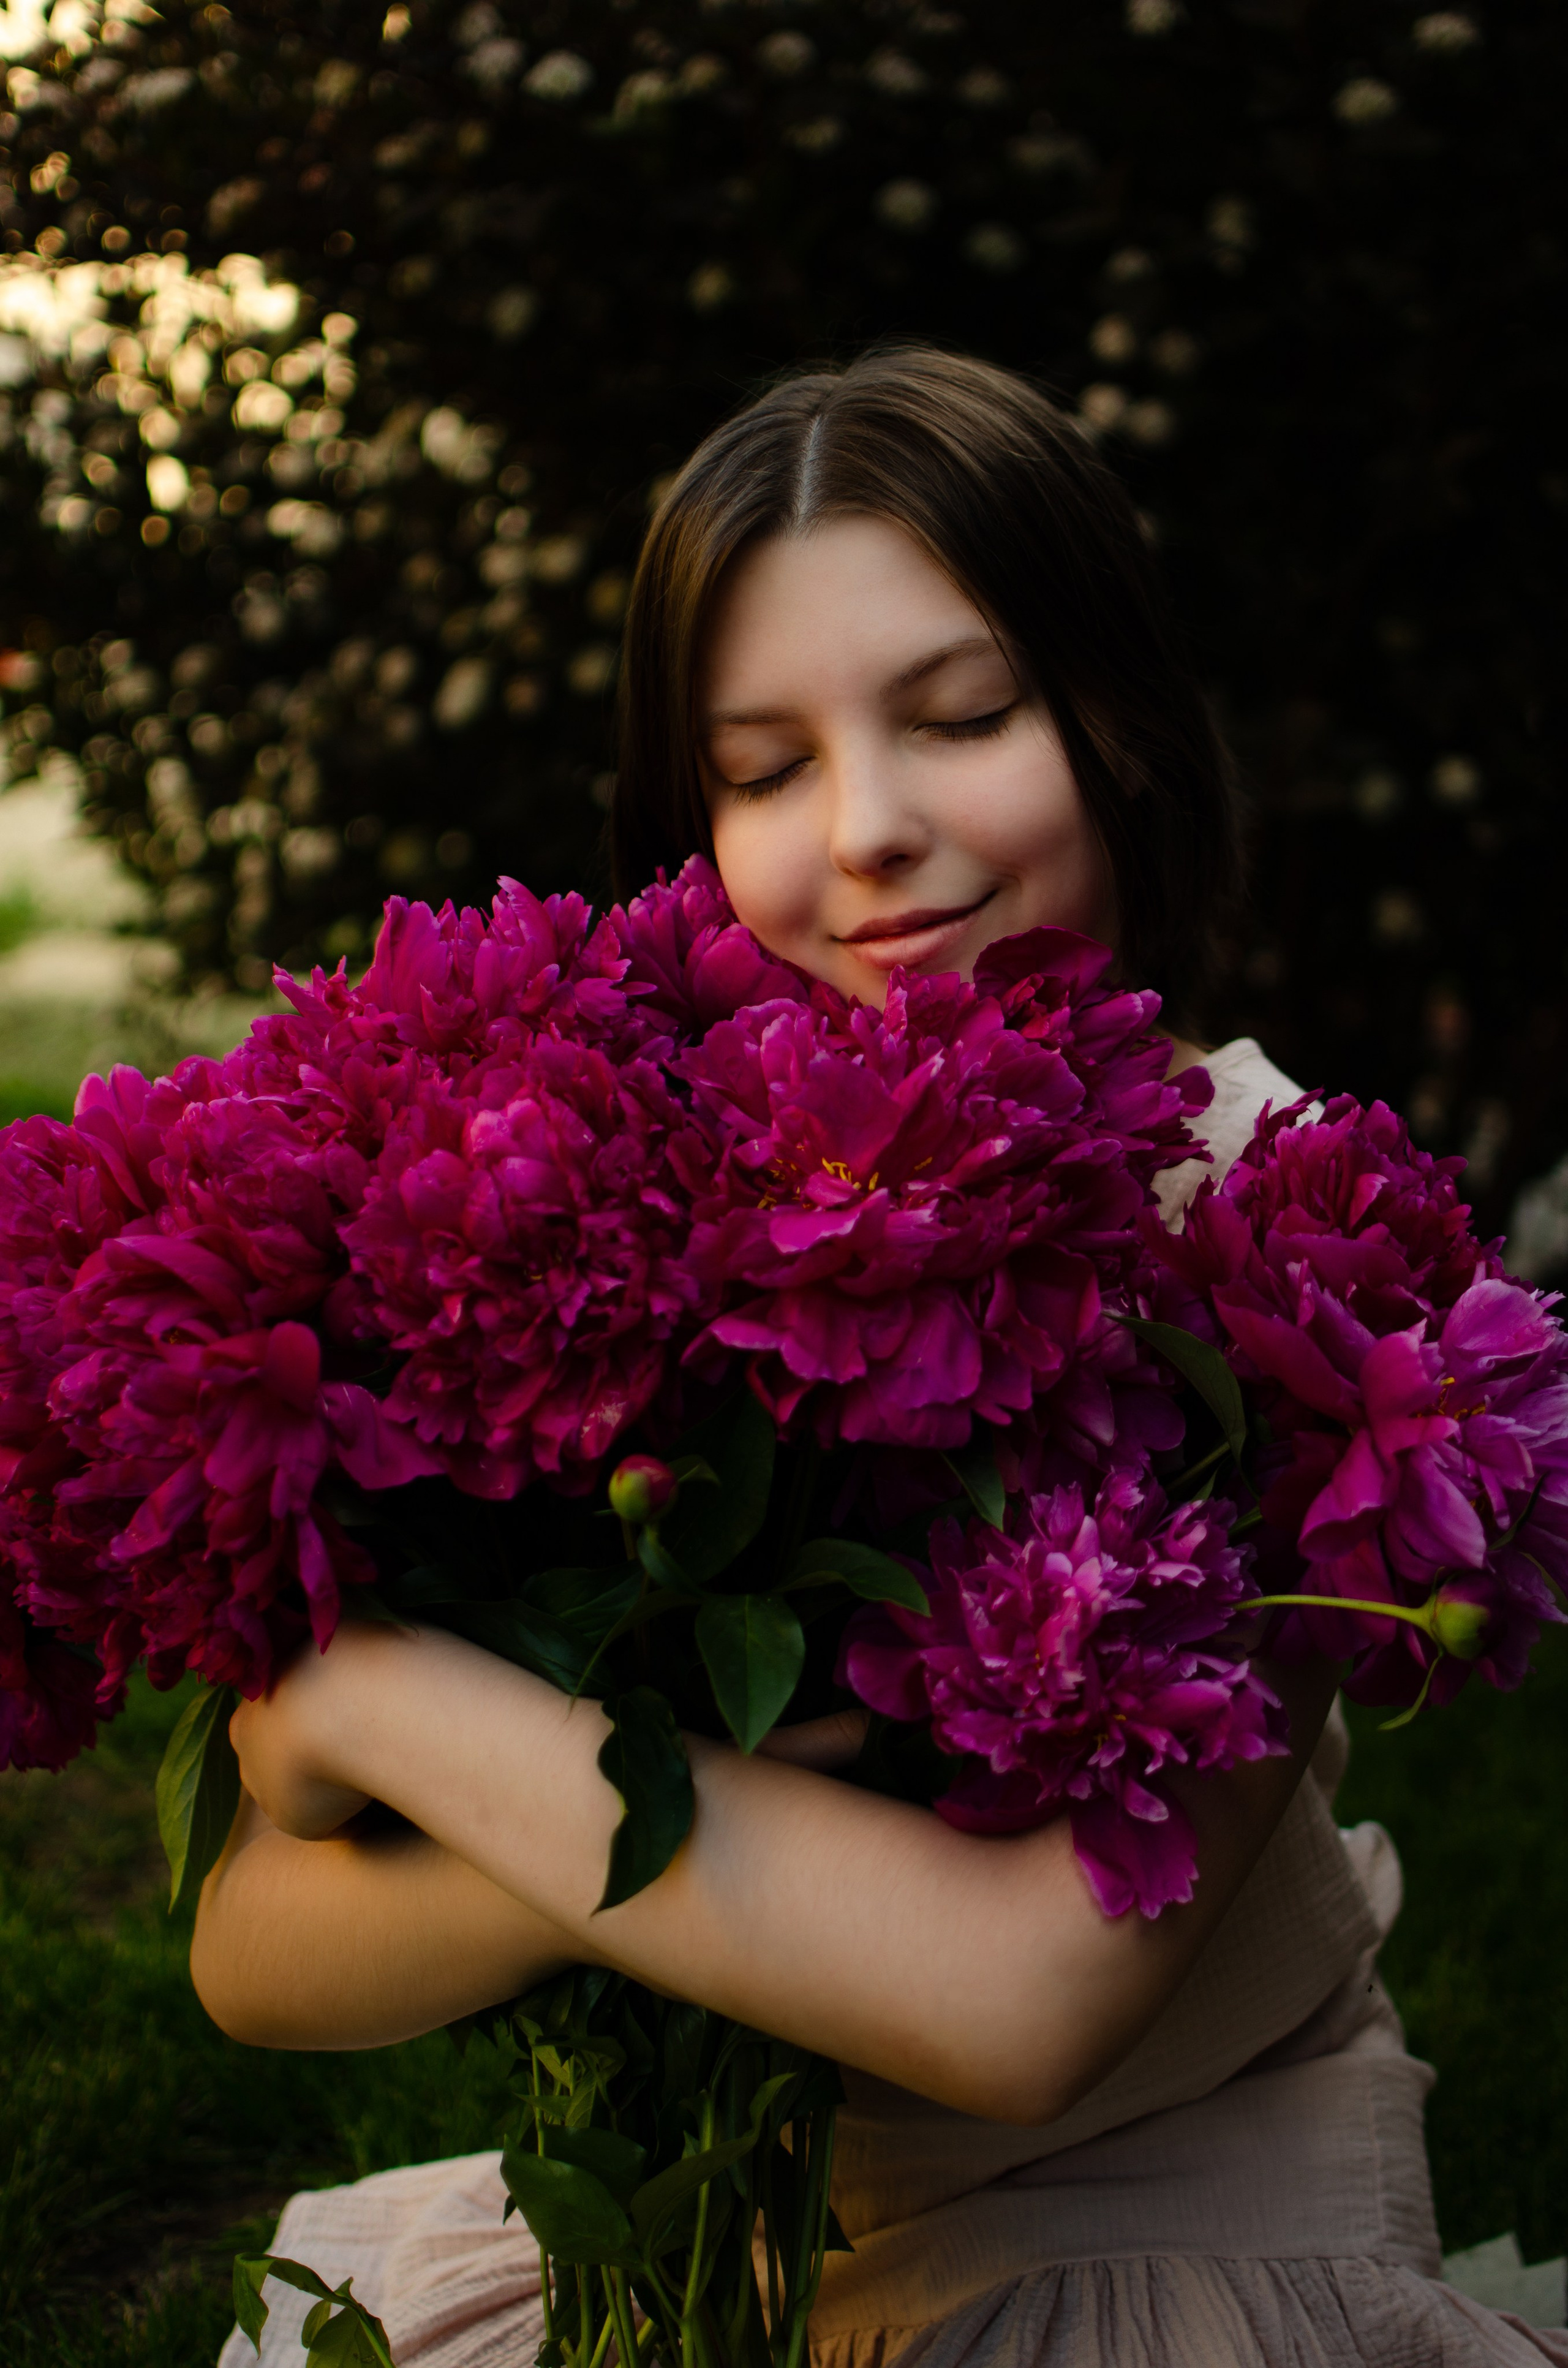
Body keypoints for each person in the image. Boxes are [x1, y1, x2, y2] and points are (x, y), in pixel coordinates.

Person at [199, 349, 1566, 2368]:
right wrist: (480, 1771)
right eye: (762, 767)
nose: (871, 831)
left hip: (1157, 2246)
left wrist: (376, 1713)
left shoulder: (1295, 1246)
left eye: (962, 716)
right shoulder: (625, 1205)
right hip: (735, 2254)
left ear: (1117, 724)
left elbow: (1015, 2007)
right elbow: (255, 1955)